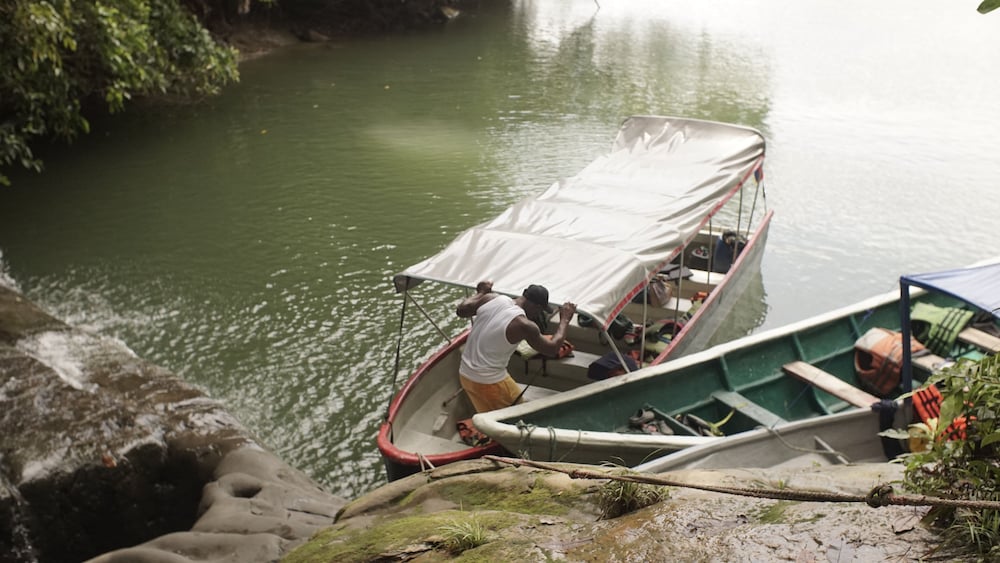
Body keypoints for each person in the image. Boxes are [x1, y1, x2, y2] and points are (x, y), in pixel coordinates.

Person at [455, 281, 576, 412]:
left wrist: (481, 292)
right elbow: (552, 349)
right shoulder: (524, 325)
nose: (538, 314)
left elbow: (461, 310)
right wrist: (565, 320)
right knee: (517, 415)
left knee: (489, 415)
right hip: (490, 382)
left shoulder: (491, 298)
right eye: (540, 310)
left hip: (465, 375)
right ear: (536, 306)